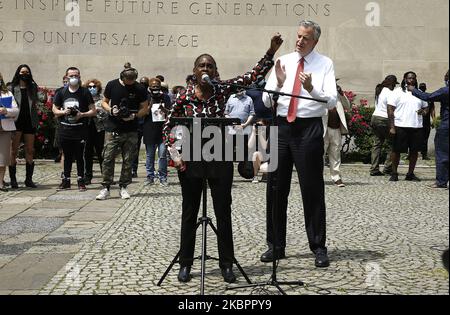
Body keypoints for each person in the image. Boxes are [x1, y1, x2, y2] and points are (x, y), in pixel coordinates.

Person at [163, 34, 283, 283]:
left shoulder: (222, 89)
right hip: (191, 159)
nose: (205, 68)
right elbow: (168, 126)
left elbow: (252, 76)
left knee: (222, 211)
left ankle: (227, 263)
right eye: (202, 65)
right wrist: (175, 154)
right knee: (189, 211)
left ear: (215, 72)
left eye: (210, 65)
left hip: (220, 155)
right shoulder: (184, 97)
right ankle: (185, 263)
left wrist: (270, 52)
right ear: (194, 71)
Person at [261, 20, 337, 268]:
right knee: (275, 187)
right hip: (282, 127)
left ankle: (318, 246)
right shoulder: (283, 61)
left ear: (314, 40)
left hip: (308, 128)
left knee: (312, 189)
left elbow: (331, 100)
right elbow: (266, 99)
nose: (299, 41)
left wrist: (311, 88)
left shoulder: (325, 63)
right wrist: (280, 83)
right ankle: (275, 245)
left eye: (305, 38)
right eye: (298, 36)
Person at [96, 63, 148, 200]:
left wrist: (134, 115)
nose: (130, 84)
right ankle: (106, 187)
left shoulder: (140, 88)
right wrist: (110, 110)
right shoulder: (112, 85)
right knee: (107, 158)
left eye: (133, 81)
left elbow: (145, 108)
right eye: (128, 81)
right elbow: (104, 102)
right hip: (112, 128)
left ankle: (123, 187)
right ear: (122, 77)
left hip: (131, 129)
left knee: (128, 159)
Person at [52, 67, 96, 191]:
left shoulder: (84, 92)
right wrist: (63, 111)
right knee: (67, 155)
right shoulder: (61, 92)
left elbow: (93, 110)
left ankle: (81, 180)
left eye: (76, 75)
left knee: (79, 156)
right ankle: (66, 179)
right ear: (66, 77)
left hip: (80, 129)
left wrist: (82, 114)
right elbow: (54, 109)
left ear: (80, 76)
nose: (73, 78)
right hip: (65, 129)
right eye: (71, 76)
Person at [408, 70, 449, 188]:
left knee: (442, 154)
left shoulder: (445, 90)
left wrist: (413, 90)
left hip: (446, 126)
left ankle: (441, 182)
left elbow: (428, 97)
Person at [387, 71, 428, 182]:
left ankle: (410, 174)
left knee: (414, 151)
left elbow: (426, 107)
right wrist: (392, 126)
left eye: (413, 78)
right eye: (409, 78)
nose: (411, 80)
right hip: (400, 126)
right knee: (396, 151)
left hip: (416, 126)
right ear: (405, 79)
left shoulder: (419, 93)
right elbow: (390, 109)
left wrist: (424, 112)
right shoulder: (397, 92)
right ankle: (394, 173)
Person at [8, 65, 40, 189]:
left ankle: (29, 179)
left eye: (27, 72)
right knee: (13, 151)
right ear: (18, 73)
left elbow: (39, 100)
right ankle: (13, 180)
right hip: (15, 122)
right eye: (22, 72)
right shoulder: (11, 87)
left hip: (29, 122)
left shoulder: (32, 87)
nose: (25, 74)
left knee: (30, 150)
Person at [138, 78, 172, 186]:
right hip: (149, 130)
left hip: (162, 130)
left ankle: (163, 177)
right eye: (153, 87)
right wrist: (149, 106)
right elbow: (142, 113)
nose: (155, 88)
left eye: (157, 86)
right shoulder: (146, 97)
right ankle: (150, 177)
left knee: (162, 155)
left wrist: (164, 109)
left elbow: (170, 112)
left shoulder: (165, 97)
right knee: (150, 155)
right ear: (149, 87)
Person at [369, 75, 398, 176]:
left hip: (375, 117)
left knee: (377, 144)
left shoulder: (380, 90)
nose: (395, 86)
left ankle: (374, 169)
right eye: (395, 84)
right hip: (384, 119)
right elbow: (390, 110)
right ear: (392, 83)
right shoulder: (390, 92)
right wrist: (392, 126)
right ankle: (387, 168)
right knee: (392, 145)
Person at [323, 82, 349, 187]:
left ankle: (336, 177)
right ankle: (318, 177)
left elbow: (348, 106)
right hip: (323, 128)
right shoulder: (320, 93)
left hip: (336, 128)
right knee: (320, 153)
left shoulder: (338, 95)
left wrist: (341, 93)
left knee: (335, 153)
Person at [83, 79, 106, 185]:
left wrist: (96, 112)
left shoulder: (102, 100)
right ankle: (88, 176)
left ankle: (105, 175)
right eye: (89, 87)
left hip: (99, 128)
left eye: (94, 87)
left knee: (101, 152)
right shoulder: (84, 99)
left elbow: (106, 114)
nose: (92, 89)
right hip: (87, 128)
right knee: (87, 152)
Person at [0, 72, 19, 191]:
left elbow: (16, 110)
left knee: (2, 158)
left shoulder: (7, 93)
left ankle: (0, 183)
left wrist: (6, 110)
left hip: (4, 128)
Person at [417, 83, 435, 160]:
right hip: (417, 121)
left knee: (425, 138)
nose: (422, 89)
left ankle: (424, 154)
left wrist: (433, 120)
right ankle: (411, 154)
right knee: (415, 138)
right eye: (421, 87)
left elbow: (432, 109)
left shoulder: (429, 97)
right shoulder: (416, 96)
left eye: (423, 87)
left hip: (426, 122)